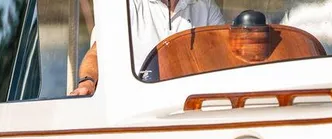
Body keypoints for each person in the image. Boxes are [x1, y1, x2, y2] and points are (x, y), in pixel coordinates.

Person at [70, 0, 226, 96]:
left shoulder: (206, 7)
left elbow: (223, 55)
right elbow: (97, 55)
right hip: (137, 104)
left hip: (189, 103)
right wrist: (88, 83)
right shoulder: (127, 5)